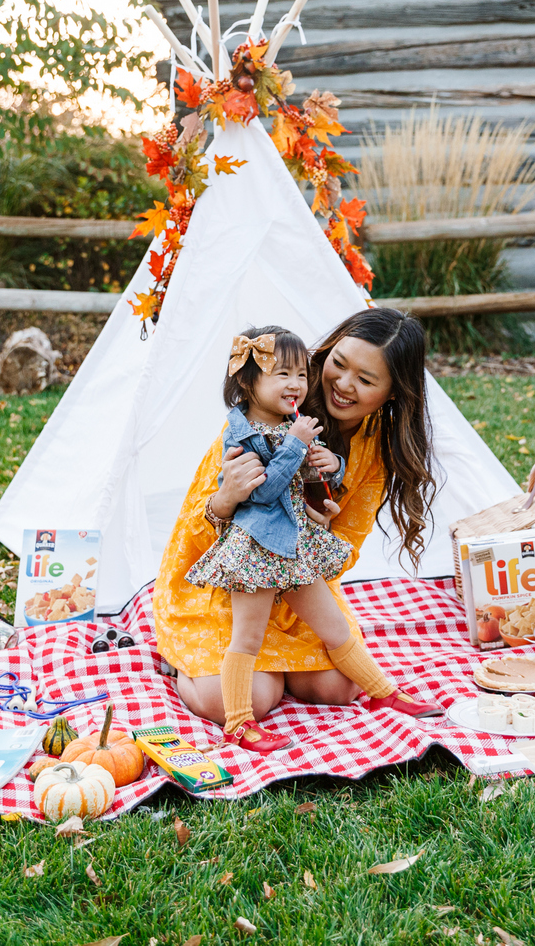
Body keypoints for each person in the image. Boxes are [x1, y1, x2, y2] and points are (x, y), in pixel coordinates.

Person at [153, 308, 444, 751]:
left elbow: (344, 551)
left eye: (366, 381)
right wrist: (225, 500)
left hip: (299, 574)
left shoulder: (374, 451)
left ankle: (378, 691)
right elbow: (191, 539)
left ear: (391, 394)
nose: (344, 385)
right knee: (253, 695)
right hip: (234, 577)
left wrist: (322, 528)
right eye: (339, 364)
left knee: (339, 688)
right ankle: (192, 671)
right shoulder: (273, 410)